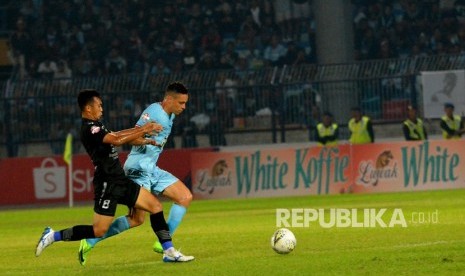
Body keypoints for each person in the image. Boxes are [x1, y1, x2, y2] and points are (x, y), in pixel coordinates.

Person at [35, 89, 193, 264]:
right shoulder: (89, 129)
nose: (102, 109)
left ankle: (169, 250)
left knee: (155, 206)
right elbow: (117, 140)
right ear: (88, 108)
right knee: (99, 230)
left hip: (120, 179)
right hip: (106, 183)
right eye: (99, 105)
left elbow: (118, 135)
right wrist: (145, 129)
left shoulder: (98, 125)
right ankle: (53, 236)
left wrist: (144, 137)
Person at [79, 82, 194, 262]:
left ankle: (164, 245)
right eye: (181, 103)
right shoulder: (155, 113)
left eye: (185, 103)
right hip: (138, 168)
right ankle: (92, 239)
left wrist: (150, 142)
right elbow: (132, 137)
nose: (184, 107)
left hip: (152, 168)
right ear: (169, 99)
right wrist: (145, 136)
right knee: (137, 219)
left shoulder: (169, 115)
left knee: (184, 197)